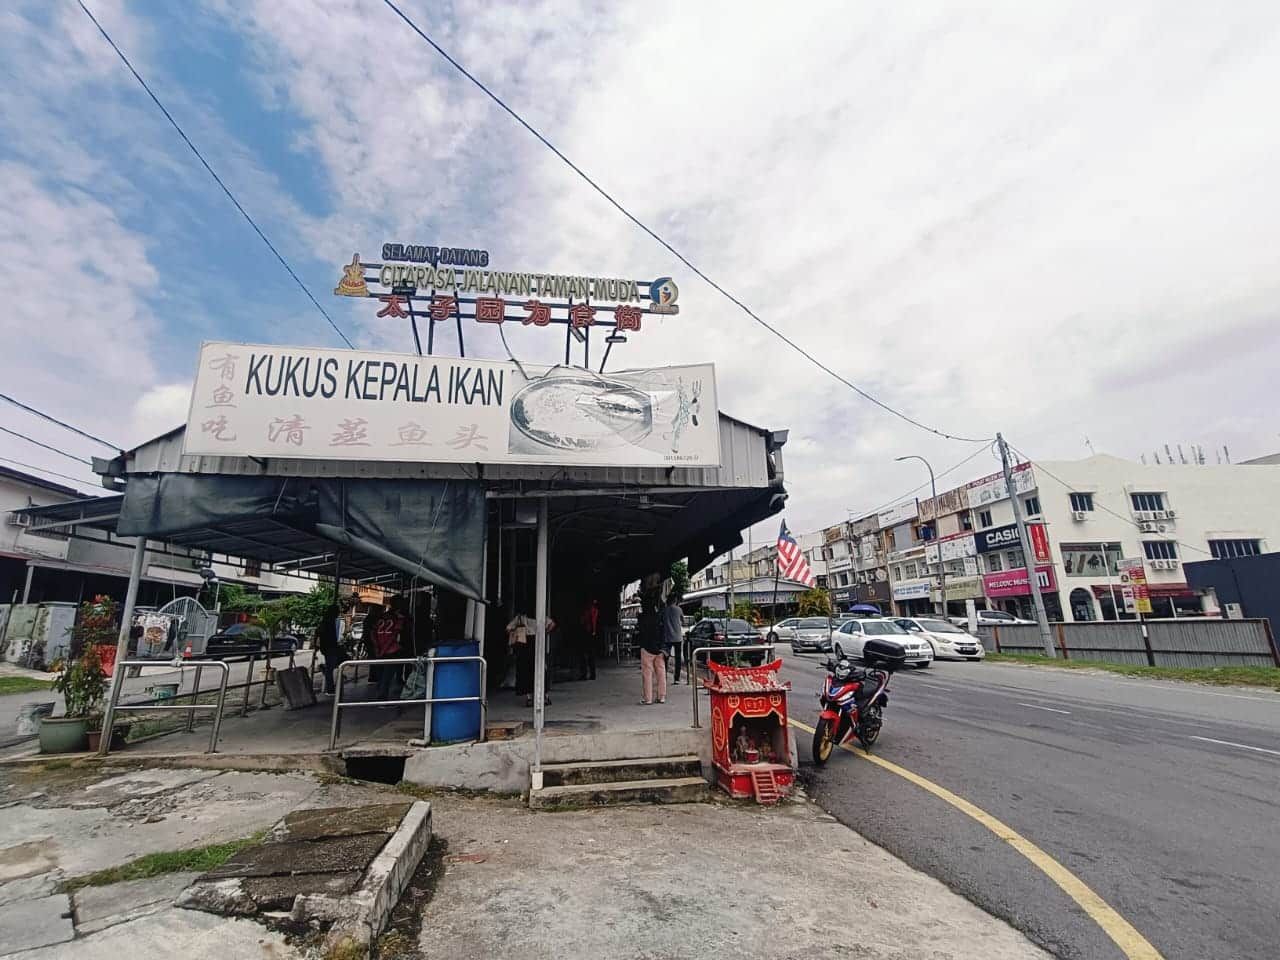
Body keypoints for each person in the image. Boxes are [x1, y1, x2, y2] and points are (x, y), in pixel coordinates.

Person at [508, 612, 556, 707]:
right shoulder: (541, 616)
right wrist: (545, 632)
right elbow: (552, 624)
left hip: (524, 645)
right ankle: (545, 696)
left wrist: (517, 632)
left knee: (526, 672)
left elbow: (508, 628)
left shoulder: (520, 618)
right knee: (542, 670)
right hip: (537, 643)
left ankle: (529, 698)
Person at [372, 601, 406, 701]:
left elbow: (373, 633)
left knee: (381, 674)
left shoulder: (381, 617)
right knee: (387, 676)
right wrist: (384, 649)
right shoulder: (399, 618)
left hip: (380, 649)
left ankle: (379, 694)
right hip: (391, 650)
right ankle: (382, 698)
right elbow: (395, 634)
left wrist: (377, 648)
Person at [637, 599, 666, 705]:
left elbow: (640, 632)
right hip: (659, 648)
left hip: (646, 648)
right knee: (661, 672)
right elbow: (663, 632)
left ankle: (648, 698)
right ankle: (661, 696)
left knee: (647, 674)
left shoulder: (642, 618)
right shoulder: (659, 617)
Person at [316, 600, 344, 695]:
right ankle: (330, 688)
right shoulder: (329, 622)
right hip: (330, 647)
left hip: (327, 647)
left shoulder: (326, 621)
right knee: (330, 668)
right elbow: (327, 636)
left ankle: (330, 686)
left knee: (330, 667)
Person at [662, 593, 684, 683]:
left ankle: (664, 677)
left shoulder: (664, 610)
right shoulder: (679, 609)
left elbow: (661, 622)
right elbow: (682, 620)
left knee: (665, 658)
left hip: (667, 637)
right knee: (678, 658)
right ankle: (677, 679)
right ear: (675, 600)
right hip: (678, 637)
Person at [578, 598, 600, 681]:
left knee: (584, 654)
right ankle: (592, 674)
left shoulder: (587, 611)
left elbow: (586, 621)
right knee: (591, 655)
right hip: (591, 633)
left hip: (587, 633)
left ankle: (585, 674)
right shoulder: (594, 610)